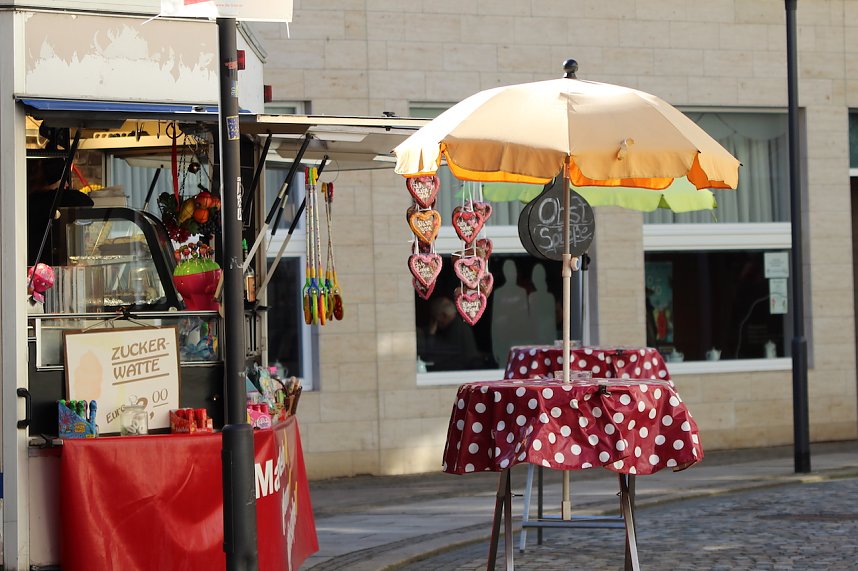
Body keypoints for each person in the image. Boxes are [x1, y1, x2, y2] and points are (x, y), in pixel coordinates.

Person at [27, 157, 94, 266]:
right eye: (63, 180)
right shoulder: (48, 200)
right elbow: (86, 202)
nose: (67, 184)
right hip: (42, 267)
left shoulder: (31, 200)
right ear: (53, 179)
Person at [420, 296, 483, 371]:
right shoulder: (459, 325)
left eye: (434, 317)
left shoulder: (455, 330)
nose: (434, 322)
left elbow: (431, 355)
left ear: (443, 315)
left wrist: (431, 334)